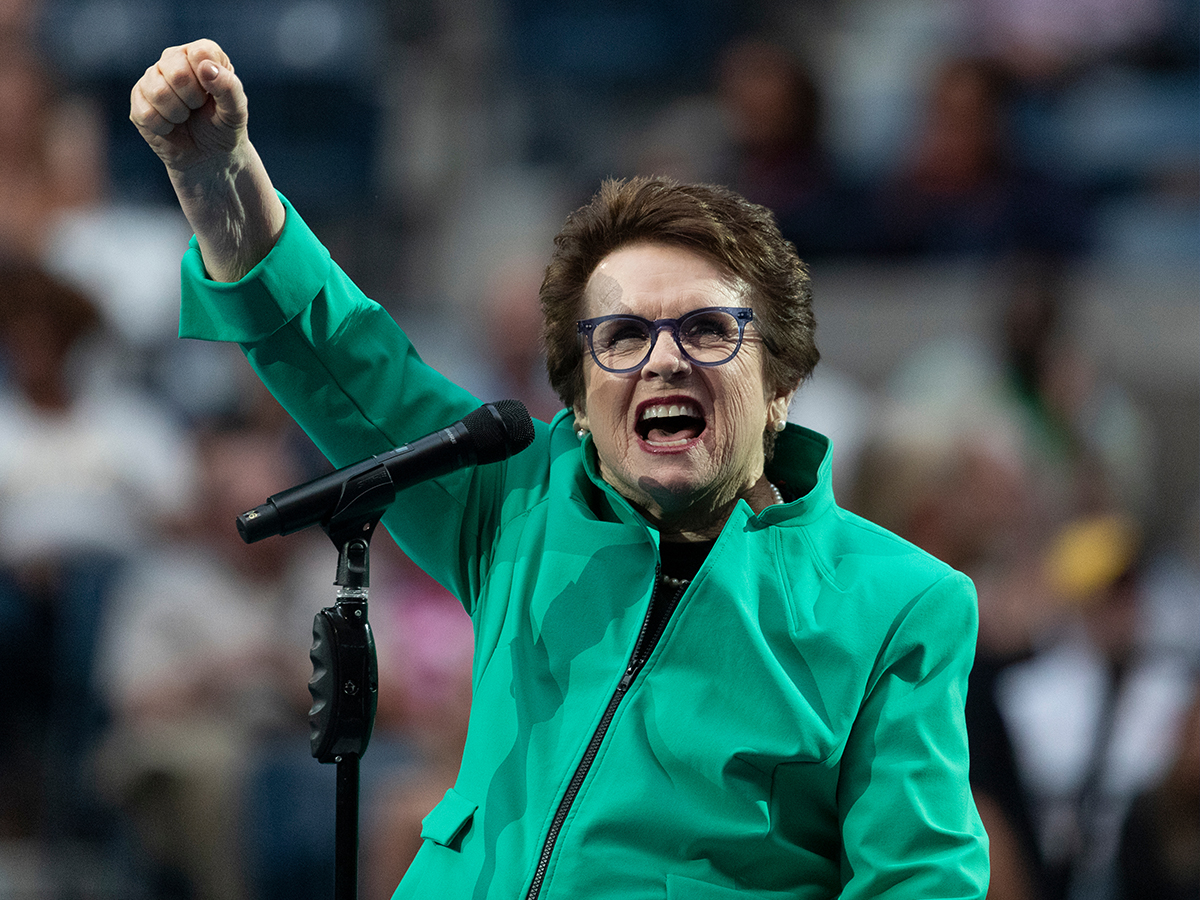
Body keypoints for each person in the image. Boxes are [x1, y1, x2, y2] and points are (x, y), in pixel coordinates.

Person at [130, 39, 989, 899]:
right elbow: (347, 361)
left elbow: (921, 883)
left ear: (781, 385)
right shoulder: (516, 499)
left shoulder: (898, 604)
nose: (663, 361)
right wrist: (219, 179)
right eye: (623, 336)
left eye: (707, 330)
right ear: (578, 403)